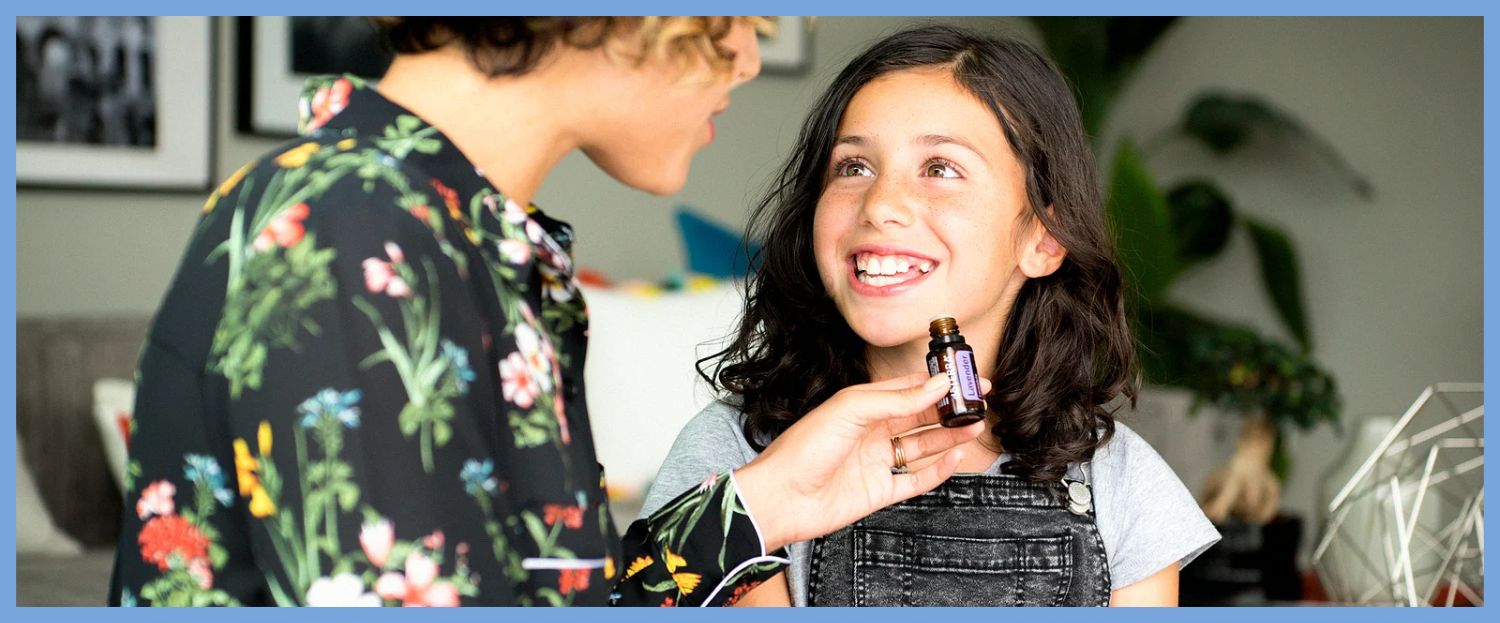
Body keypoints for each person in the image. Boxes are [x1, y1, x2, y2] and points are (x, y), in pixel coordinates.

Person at [108, 17, 987, 607]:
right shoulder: (353, 232)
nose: (750, 57)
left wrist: (764, 501)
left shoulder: (456, 236)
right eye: (738, 16)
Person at [641, 25, 1221, 607]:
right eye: (853, 167)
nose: (882, 204)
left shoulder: (1119, 479)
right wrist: (755, 515)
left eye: (940, 167)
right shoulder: (738, 458)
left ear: (1043, 241)